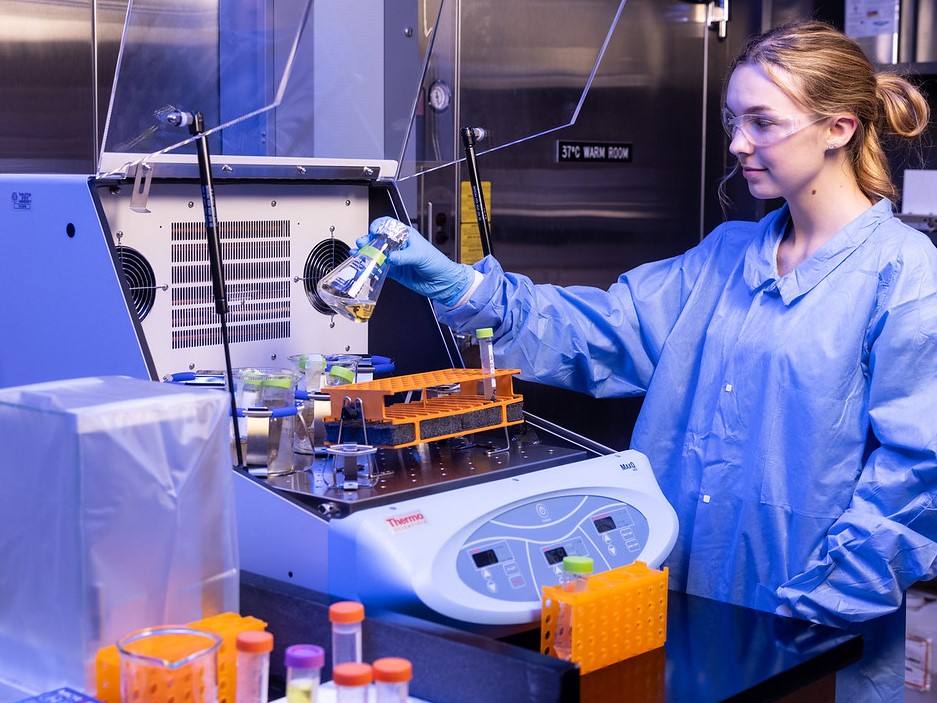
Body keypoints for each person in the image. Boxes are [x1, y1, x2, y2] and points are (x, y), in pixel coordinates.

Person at [369, 19, 935, 701]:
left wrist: (809, 613)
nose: (736, 144)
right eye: (732, 120)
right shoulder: (723, 256)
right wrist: (462, 288)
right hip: (674, 620)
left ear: (837, 128)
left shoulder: (903, 275)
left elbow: (915, 477)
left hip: (813, 645)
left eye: (762, 121)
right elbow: (603, 329)